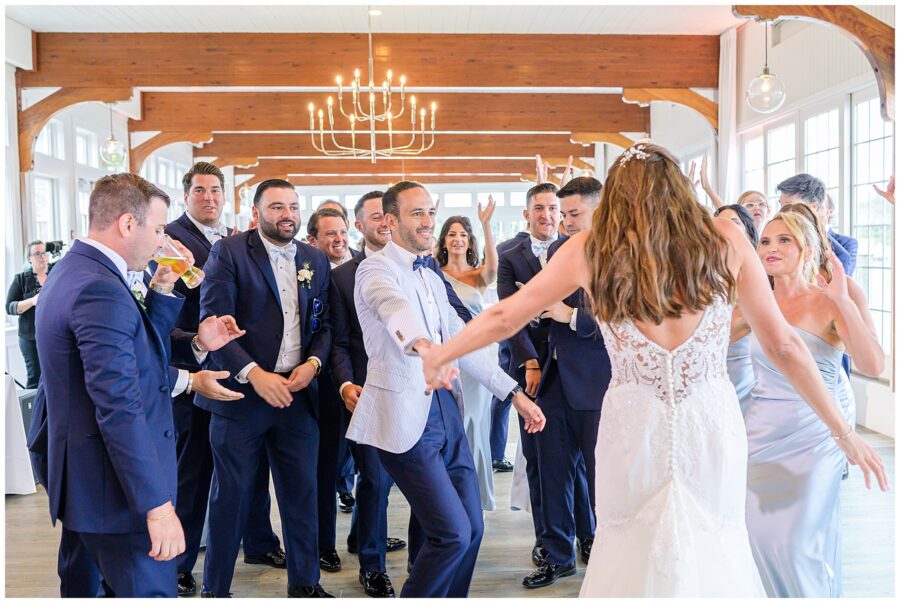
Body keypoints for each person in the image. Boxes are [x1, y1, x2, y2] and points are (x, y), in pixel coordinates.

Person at [419, 143, 887, 597]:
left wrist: (443, 354)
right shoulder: (725, 241)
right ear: (680, 188)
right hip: (709, 419)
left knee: (631, 543)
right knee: (713, 539)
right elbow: (783, 345)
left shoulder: (589, 250)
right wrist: (843, 431)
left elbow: (506, 315)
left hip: (632, 422)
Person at [34, 173, 246, 597]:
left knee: (85, 587)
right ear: (128, 225)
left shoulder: (74, 270)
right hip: (117, 491)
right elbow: (119, 404)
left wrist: (167, 286)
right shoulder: (99, 288)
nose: (162, 241)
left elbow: (131, 355)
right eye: (158, 229)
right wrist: (157, 506)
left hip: (85, 483)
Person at [346, 180, 545, 598]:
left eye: (430, 212)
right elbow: (393, 309)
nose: (427, 222)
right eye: (416, 213)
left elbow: (463, 339)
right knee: (451, 534)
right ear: (390, 220)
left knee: (472, 528)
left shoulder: (432, 273)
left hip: (447, 412)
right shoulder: (375, 269)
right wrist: (424, 348)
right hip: (405, 417)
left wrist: (514, 394)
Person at [198, 179, 334, 598]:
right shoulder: (231, 252)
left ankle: (305, 584)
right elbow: (214, 320)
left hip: (296, 394)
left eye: (293, 205)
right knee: (231, 499)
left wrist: (312, 365)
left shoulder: (314, 257)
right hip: (241, 396)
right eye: (276, 207)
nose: (287, 214)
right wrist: (255, 374)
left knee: (302, 495)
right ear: (257, 212)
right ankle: (215, 590)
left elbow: (324, 323)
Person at [744, 212, 885, 597]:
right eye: (766, 241)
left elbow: (873, 364)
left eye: (784, 240)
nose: (772, 248)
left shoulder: (828, 302)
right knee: (759, 538)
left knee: (798, 542)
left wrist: (843, 301)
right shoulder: (753, 304)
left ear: (807, 249)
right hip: (760, 436)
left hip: (817, 434)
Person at [165, 161, 284, 596]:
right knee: (194, 470)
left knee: (247, 469)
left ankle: (257, 541)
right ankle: (180, 562)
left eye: (216, 190)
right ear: (186, 196)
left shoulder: (236, 240)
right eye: (200, 191)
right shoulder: (172, 238)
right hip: (194, 366)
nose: (209, 197)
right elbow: (172, 307)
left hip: (238, 363)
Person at [522, 176, 610, 589]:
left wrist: (570, 316)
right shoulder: (558, 249)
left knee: (600, 475)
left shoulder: (622, 253)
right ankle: (557, 557)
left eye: (574, 214)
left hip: (599, 381)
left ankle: (605, 551)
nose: (565, 222)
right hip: (554, 375)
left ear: (599, 206)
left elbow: (627, 320)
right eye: (563, 213)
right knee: (552, 470)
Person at [329, 191, 406, 597]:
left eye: (388, 215)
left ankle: (419, 557)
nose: (384, 222)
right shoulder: (342, 277)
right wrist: (344, 383)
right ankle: (372, 566)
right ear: (359, 225)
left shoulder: (417, 266)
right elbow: (339, 342)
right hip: (369, 390)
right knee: (373, 479)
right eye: (375, 216)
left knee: (410, 481)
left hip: (416, 390)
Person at [435, 198, 498, 510]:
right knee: (451, 423)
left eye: (463, 234)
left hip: (477, 355)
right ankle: (450, 495)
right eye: (451, 234)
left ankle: (474, 496)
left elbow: (494, 269)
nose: (457, 239)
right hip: (449, 356)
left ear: (469, 241)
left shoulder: (478, 276)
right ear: (444, 241)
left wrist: (485, 224)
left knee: (473, 421)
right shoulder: (434, 273)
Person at [306, 206, 358, 574]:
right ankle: (324, 544)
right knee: (327, 467)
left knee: (368, 468)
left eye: (342, 232)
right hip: (325, 384)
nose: (338, 239)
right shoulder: (310, 272)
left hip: (365, 381)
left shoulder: (362, 268)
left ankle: (364, 535)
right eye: (329, 234)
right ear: (313, 240)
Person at [489, 229, 529, 473]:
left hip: (507, 335)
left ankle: (496, 452)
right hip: (514, 333)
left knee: (503, 396)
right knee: (508, 393)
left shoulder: (504, 247)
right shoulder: (510, 252)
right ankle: (497, 453)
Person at [715, 204, 759, 415]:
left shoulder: (760, 282)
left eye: (734, 223)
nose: (726, 229)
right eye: (720, 224)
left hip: (747, 381)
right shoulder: (703, 281)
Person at [776, 173, 856, 275]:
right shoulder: (776, 239)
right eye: (781, 205)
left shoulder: (840, 254)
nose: (782, 212)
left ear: (813, 207)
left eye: (788, 205)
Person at [6, 240, 52, 388]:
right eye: (37, 253)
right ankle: (34, 411)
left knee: (54, 375)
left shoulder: (56, 274)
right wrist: (32, 301)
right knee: (35, 378)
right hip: (29, 337)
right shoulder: (21, 279)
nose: (42, 256)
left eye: (44, 252)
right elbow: (10, 307)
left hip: (53, 334)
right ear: (29, 258)